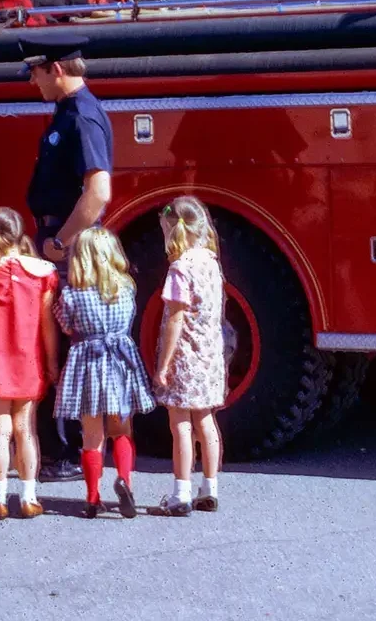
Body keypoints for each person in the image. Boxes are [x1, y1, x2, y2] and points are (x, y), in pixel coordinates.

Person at [21, 32, 113, 481]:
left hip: (68, 245)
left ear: (55, 68)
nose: (32, 80)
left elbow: (98, 190)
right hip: (58, 238)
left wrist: (62, 241)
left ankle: (69, 450)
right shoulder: (67, 113)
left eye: (35, 71)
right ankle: (63, 448)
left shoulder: (83, 118)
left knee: (64, 347)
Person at [0, 207, 60, 520]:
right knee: (26, 430)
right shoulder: (43, 272)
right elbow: (47, 324)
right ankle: (29, 497)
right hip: (28, 358)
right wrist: (52, 361)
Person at [55, 227, 154, 519]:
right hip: (120, 365)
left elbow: (67, 326)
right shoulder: (127, 289)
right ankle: (124, 479)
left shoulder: (72, 295)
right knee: (121, 429)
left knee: (92, 436)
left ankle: (92, 498)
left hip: (87, 365)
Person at [151, 196, 228, 517]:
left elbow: (175, 319)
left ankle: (180, 493)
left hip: (184, 356)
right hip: (210, 355)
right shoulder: (212, 263)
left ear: (173, 231)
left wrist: (163, 365)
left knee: (180, 425)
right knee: (206, 421)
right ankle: (210, 488)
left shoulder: (180, 270)